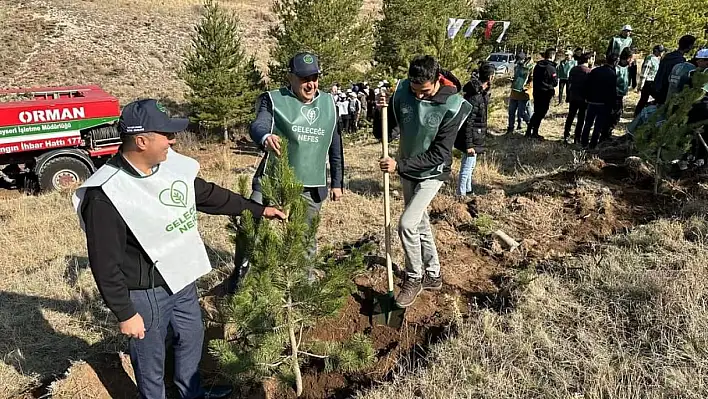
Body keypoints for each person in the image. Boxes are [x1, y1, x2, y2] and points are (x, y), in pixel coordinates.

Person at [72, 99, 286, 399]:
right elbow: (104, 263)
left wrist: (257, 210)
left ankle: (192, 393)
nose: (173, 140)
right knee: (151, 360)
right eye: (166, 134)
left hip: (182, 278)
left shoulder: (167, 167)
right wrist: (125, 312)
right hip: (145, 293)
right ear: (142, 140)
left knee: (191, 337)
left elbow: (209, 195)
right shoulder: (106, 195)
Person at [229, 52, 344, 291]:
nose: (310, 84)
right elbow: (258, 124)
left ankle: (304, 286)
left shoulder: (328, 104)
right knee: (251, 226)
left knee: (305, 237)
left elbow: (335, 144)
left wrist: (337, 181)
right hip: (272, 178)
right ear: (290, 77)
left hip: (311, 183)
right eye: (304, 78)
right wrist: (265, 136)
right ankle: (241, 279)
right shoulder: (274, 100)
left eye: (314, 77)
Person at [376, 55, 472, 308]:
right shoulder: (403, 93)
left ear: (436, 80)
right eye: (414, 90)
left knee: (407, 223)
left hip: (433, 172)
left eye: (424, 91)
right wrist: (380, 111)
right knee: (420, 224)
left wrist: (400, 166)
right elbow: (385, 132)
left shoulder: (452, 105)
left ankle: (414, 277)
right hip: (408, 169)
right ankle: (433, 274)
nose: (418, 96)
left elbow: (441, 153)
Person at [456, 63, 494, 196]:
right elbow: (468, 122)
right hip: (471, 138)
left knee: (471, 166)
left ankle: (468, 190)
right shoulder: (475, 97)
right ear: (490, 77)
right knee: (466, 167)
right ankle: (461, 195)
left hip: (476, 136)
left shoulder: (480, 93)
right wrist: (469, 144)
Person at [581, 53, 619, 149]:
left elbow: (586, 84)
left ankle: (584, 143)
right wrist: (613, 105)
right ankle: (593, 144)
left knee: (588, 123)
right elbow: (612, 91)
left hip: (591, 101)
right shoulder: (612, 74)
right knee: (598, 125)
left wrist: (586, 97)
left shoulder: (595, 71)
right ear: (615, 62)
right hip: (603, 104)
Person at [654, 35, 697, 105]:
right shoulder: (679, 61)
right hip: (667, 92)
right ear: (689, 46)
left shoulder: (667, 56)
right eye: (692, 46)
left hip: (658, 89)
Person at [526, 48, 558, 139]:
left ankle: (529, 131)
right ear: (552, 56)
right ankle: (534, 132)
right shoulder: (551, 68)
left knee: (537, 112)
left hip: (537, 92)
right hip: (545, 93)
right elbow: (555, 82)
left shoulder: (537, 66)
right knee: (540, 113)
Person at [563, 52, 592, 144]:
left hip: (573, 96)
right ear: (588, 60)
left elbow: (569, 84)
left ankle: (566, 135)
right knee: (581, 118)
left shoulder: (573, 69)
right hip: (583, 98)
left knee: (570, 116)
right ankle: (577, 137)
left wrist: (568, 95)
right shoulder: (588, 71)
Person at [605, 48, 633, 140]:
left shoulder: (627, 68)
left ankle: (608, 132)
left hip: (620, 95)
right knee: (612, 115)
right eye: (631, 58)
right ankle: (605, 134)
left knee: (617, 115)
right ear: (628, 58)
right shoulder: (616, 68)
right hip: (614, 95)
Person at [507, 52, 534, 134]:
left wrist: (526, 87)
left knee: (521, 113)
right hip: (514, 92)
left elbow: (532, 80)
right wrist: (512, 80)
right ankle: (510, 128)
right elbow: (516, 76)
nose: (518, 61)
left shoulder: (530, 67)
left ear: (524, 59)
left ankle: (531, 125)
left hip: (523, 93)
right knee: (511, 111)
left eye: (520, 60)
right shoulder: (516, 66)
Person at [635, 44, 665, 116]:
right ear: (656, 51)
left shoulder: (658, 59)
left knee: (645, 99)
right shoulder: (650, 58)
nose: (661, 53)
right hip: (648, 82)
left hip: (653, 82)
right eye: (660, 51)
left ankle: (639, 113)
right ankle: (637, 114)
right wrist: (640, 85)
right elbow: (644, 72)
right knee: (645, 99)